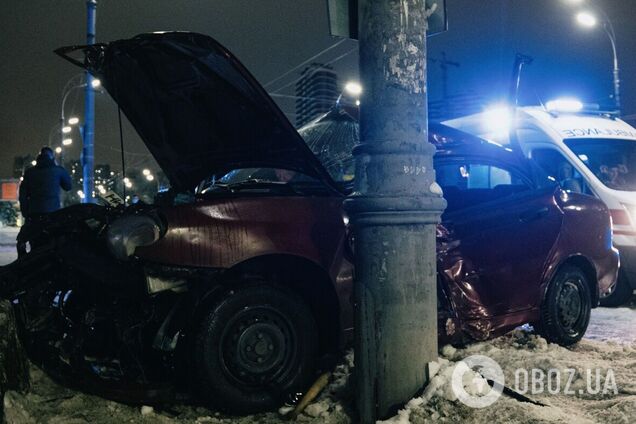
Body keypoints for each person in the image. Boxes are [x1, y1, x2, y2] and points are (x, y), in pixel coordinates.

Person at [17, 147, 72, 255]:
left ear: (39, 157)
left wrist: (25, 213)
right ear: (52, 157)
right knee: (51, 244)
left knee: (36, 244)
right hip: (53, 214)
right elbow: (68, 186)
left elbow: (23, 195)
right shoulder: (58, 170)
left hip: (34, 214)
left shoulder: (30, 172)